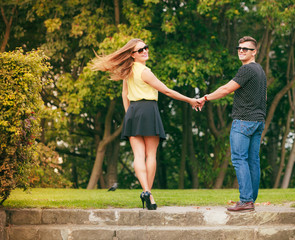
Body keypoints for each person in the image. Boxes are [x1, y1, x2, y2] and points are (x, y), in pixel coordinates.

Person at [92, 38, 200, 210]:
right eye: (140, 50)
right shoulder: (145, 71)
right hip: (149, 110)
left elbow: (124, 94)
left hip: (133, 111)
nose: (145, 51)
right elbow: (166, 90)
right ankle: (148, 192)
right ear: (133, 55)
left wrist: (129, 114)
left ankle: (147, 194)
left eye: (146, 48)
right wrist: (190, 100)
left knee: (138, 156)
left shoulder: (127, 71)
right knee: (150, 155)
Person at [197, 36, 266, 212]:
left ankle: (246, 200)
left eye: (246, 49)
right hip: (258, 121)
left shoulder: (247, 70)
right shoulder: (260, 70)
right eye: (239, 48)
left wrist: (204, 98)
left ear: (254, 52)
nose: (241, 51)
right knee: (252, 160)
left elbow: (226, 89)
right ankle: (250, 199)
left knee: (239, 159)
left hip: (244, 121)